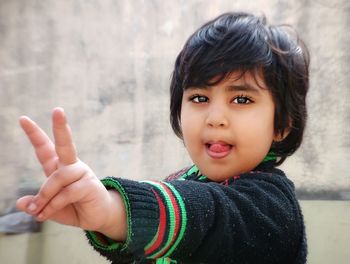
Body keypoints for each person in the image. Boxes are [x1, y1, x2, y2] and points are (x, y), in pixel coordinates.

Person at [16, 11, 309, 264]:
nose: (215, 117)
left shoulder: (273, 207)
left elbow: (209, 216)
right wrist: (108, 220)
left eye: (242, 99)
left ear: (282, 124)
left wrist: (115, 209)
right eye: (199, 97)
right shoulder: (180, 182)